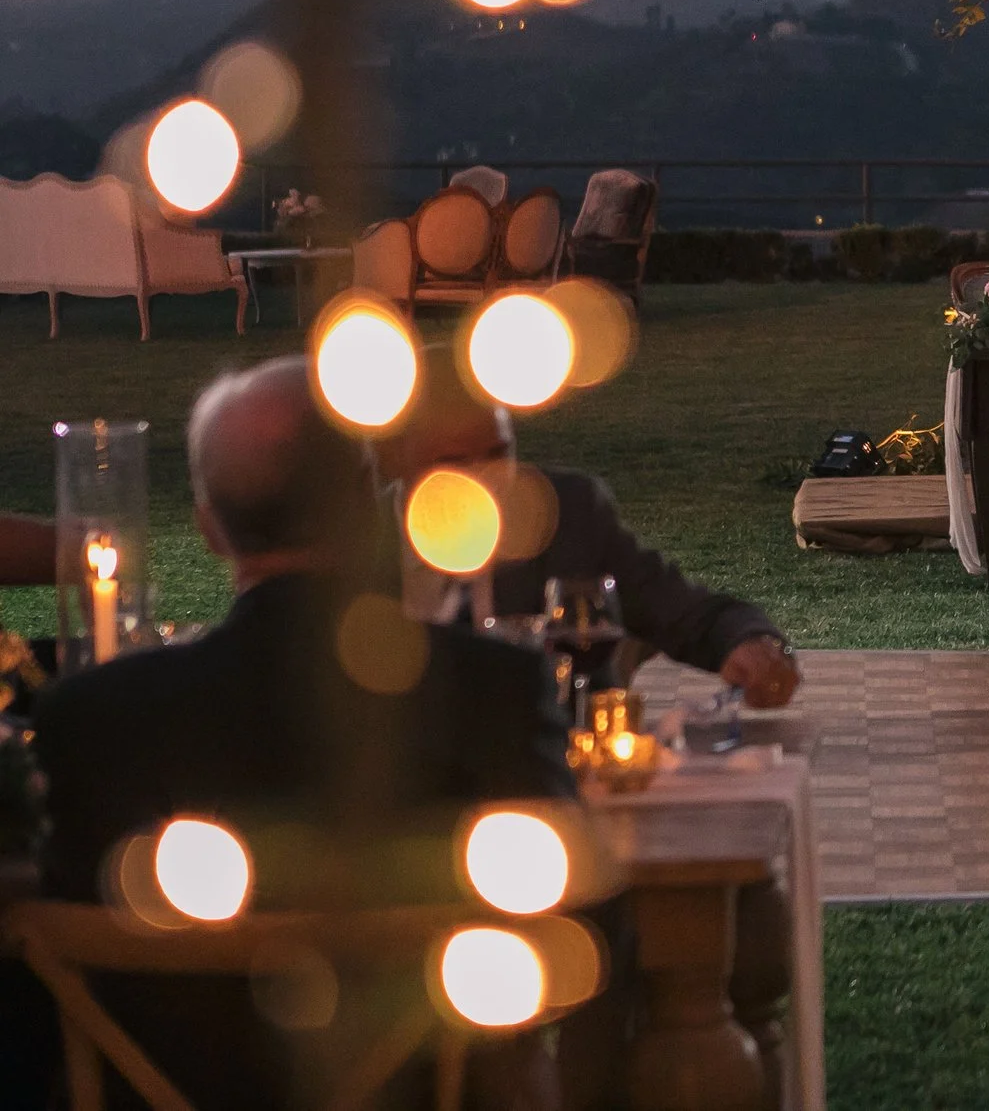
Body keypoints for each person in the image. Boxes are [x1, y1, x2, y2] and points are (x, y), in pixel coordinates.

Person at [32, 356, 574, 1109]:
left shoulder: (95, 719)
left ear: (210, 529)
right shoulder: (490, 691)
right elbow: (577, 926)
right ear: (363, 503)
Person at [378, 351, 800, 708]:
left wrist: (751, 643)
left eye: (498, 455)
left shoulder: (566, 513)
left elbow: (684, 611)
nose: (485, 483)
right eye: (455, 464)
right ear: (395, 460)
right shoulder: (353, 541)